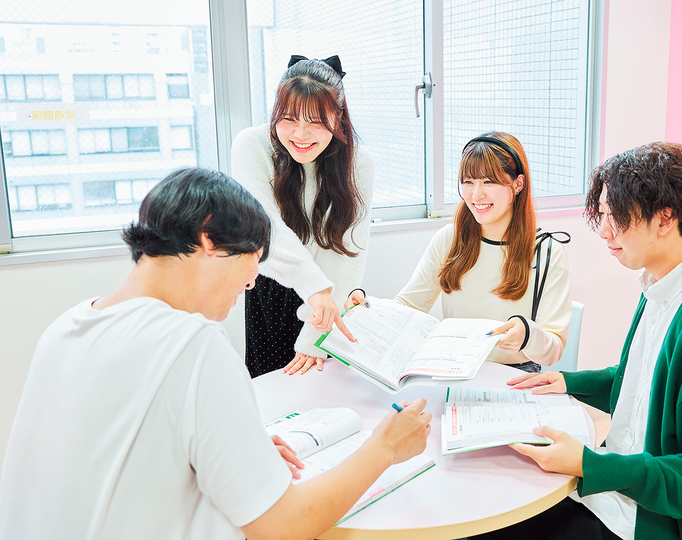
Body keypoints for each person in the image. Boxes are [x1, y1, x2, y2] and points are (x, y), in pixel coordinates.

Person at [0, 168, 431, 540]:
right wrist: (385, 448)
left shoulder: (67, 327)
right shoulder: (191, 343)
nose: (250, 285)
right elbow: (282, 526)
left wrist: (229, 448)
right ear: (209, 239)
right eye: (254, 262)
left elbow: (112, 449)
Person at [474, 142, 682, 540]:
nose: (604, 231)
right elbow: (646, 385)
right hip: (628, 490)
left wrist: (591, 465)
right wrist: (571, 383)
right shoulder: (665, 281)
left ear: (665, 218)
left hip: (658, 522)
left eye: (616, 217)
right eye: (603, 215)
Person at [347, 132, 572, 370]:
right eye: (468, 182)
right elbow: (409, 305)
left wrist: (528, 334)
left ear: (518, 184)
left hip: (513, 373)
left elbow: (553, 350)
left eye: (489, 182)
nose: (476, 195)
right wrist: (368, 308)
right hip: (452, 366)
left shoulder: (547, 251)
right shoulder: (450, 239)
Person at [232, 54, 374, 377]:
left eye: (315, 121)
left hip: (330, 290)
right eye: (290, 118)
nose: (300, 134)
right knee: (273, 398)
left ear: (338, 118)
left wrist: (315, 336)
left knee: (324, 396)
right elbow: (264, 228)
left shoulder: (358, 162)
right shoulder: (251, 146)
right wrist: (314, 289)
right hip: (271, 284)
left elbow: (348, 253)